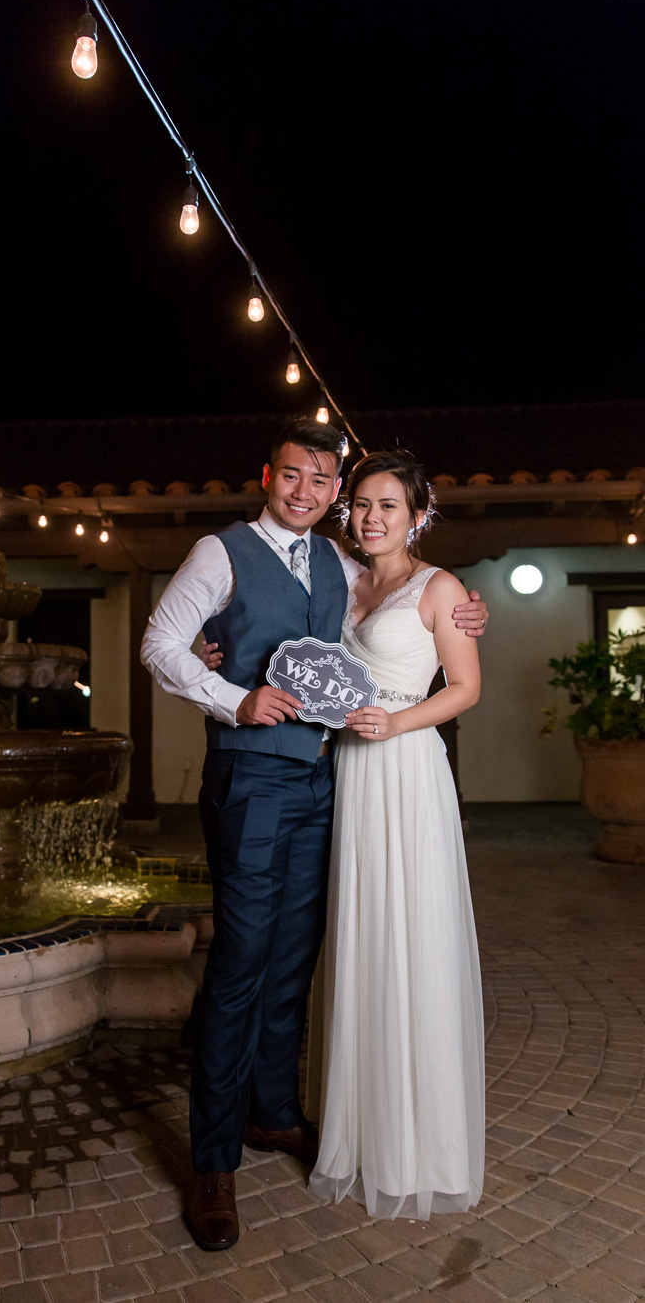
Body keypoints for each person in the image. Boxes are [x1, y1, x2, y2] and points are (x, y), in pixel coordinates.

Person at [141, 418, 488, 1251]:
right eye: (295, 475)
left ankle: (271, 1112)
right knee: (241, 962)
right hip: (252, 779)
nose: (310, 492)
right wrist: (232, 695)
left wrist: (467, 609)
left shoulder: (342, 565)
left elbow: (398, 612)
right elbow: (161, 642)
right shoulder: (220, 553)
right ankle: (213, 1161)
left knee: (296, 954)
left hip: (329, 781)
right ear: (269, 475)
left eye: (324, 482)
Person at [308, 449, 485, 1219]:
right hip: (349, 773)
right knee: (361, 932)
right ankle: (358, 1127)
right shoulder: (343, 581)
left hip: (405, 770)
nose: (372, 517)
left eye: (389, 505)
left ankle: (419, 1142)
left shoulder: (439, 587)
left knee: (410, 935)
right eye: (362, 505)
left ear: (419, 515)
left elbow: (467, 687)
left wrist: (396, 720)